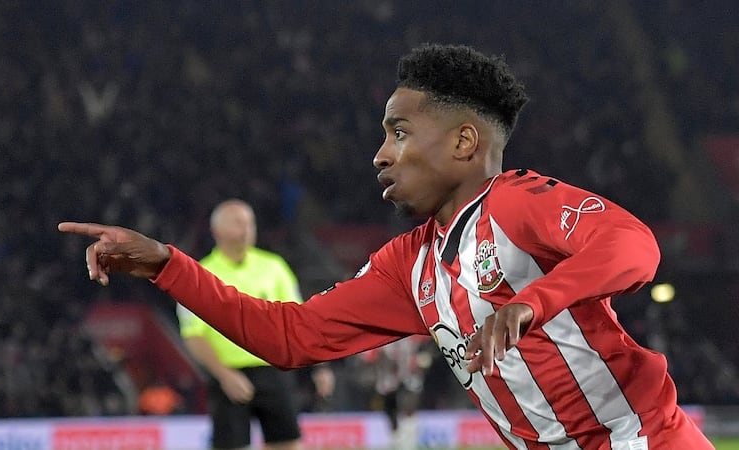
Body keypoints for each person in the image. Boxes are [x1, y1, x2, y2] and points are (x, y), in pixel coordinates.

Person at [59, 43, 714, 449]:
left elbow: (633, 247)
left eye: (399, 132)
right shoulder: (414, 263)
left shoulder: (517, 202)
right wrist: (169, 266)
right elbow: (292, 338)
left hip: (644, 442)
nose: (380, 154)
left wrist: (530, 303)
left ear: (463, 143)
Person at [176, 199, 321, 450]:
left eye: (249, 223)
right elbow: (193, 335)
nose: (246, 229)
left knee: (287, 443)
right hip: (228, 374)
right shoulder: (200, 275)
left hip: (275, 371)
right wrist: (224, 374)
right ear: (217, 232)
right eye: (238, 223)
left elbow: (298, 319)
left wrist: (318, 367)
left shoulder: (274, 267)